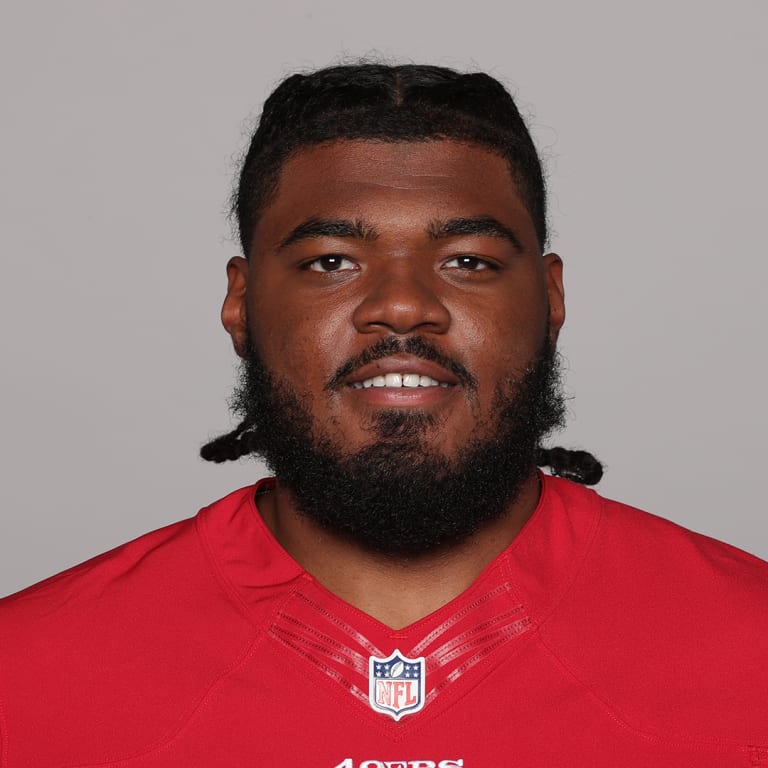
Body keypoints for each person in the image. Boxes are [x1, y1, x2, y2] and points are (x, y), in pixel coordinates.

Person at [0, 63, 766, 768]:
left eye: (468, 260)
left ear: (551, 298)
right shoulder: (23, 676)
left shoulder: (751, 651)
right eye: (331, 260)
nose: (403, 305)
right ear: (240, 302)